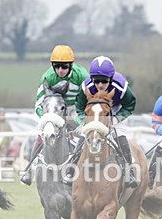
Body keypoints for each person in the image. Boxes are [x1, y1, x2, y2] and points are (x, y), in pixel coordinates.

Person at [21, 44, 89, 185]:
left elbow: (89, 103)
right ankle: (30, 170)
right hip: (55, 110)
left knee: (84, 134)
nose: (60, 70)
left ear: (71, 65)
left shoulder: (82, 76)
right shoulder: (48, 77)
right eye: (56, 66)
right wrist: (48, 120)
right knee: (43, 133)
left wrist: (77, 120)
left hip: (77, 108)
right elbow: (39, 105)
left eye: (64, 67)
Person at [71, 55, 138, 187]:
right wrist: (85, 120)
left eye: (104, 81)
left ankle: (128, 170)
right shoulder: (86, 87)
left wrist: (117, 118)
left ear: (111, 79)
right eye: (96, 81)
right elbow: (79, 106)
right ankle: (71, 167)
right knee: (85, 135)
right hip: (94, 113)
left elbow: (130, 105)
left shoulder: (121, 87)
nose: (100, 85)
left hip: (115, 110)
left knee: (120, 134)